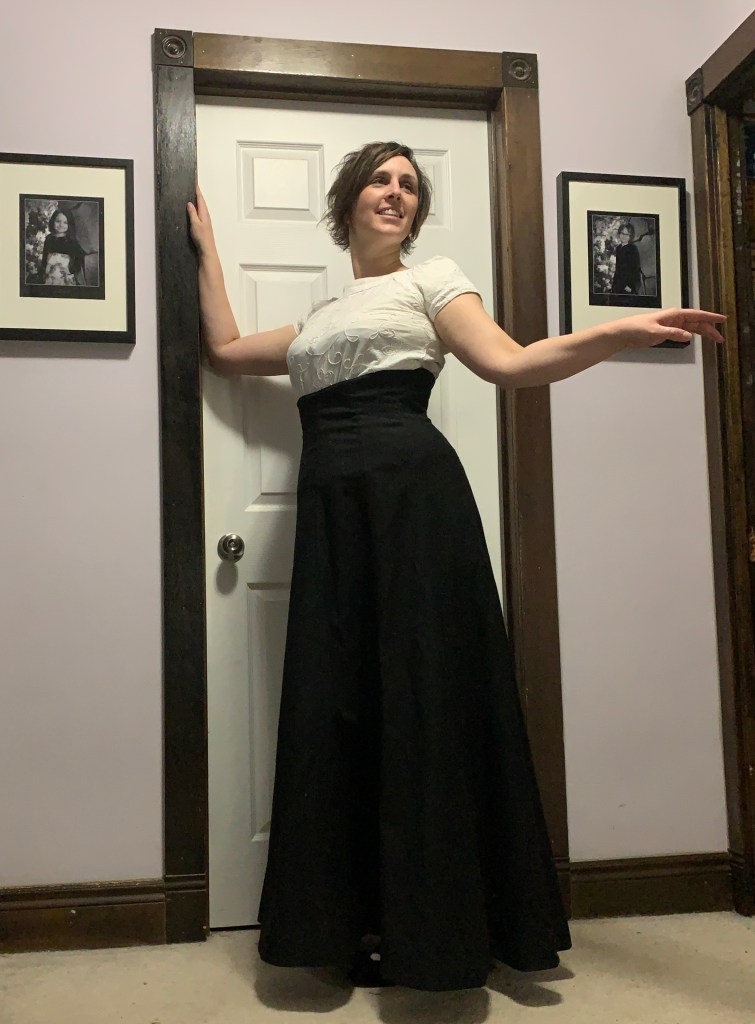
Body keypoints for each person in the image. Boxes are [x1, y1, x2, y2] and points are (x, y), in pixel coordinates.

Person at [187, 141, 725, 992]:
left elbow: (511, 363)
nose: (395, 193)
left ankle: (442, 932)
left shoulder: (433, 280)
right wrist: (207, 247)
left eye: (408, 184)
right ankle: (353, 922)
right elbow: (222, 351)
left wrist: (615, 332)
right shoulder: (320, 317)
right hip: (333, 517)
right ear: (347, 202)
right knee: (341, 701)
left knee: (423, 695)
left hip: (414, 505)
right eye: (379, 180)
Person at [37, 209, 88, 286]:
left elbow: (80, 257)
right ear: (53, 221)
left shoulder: (71, 241)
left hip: (65, 277)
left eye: (65, 222)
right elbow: (45, 257)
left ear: (69, 224)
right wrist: (43, 271)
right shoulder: (49, 238)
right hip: (50, 276)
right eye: (58, 221)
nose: (61, 225)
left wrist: (71, 270)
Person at [609, 221, 642, 304]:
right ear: (619, 234)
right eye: (622, 233)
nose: (624, 236)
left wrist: (631, 287)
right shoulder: (618, 248)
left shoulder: (632, 249)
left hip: (628, 284)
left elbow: (635, 268)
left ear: (630, 236)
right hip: (618, 282)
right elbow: (618, 268)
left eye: (627, 234)